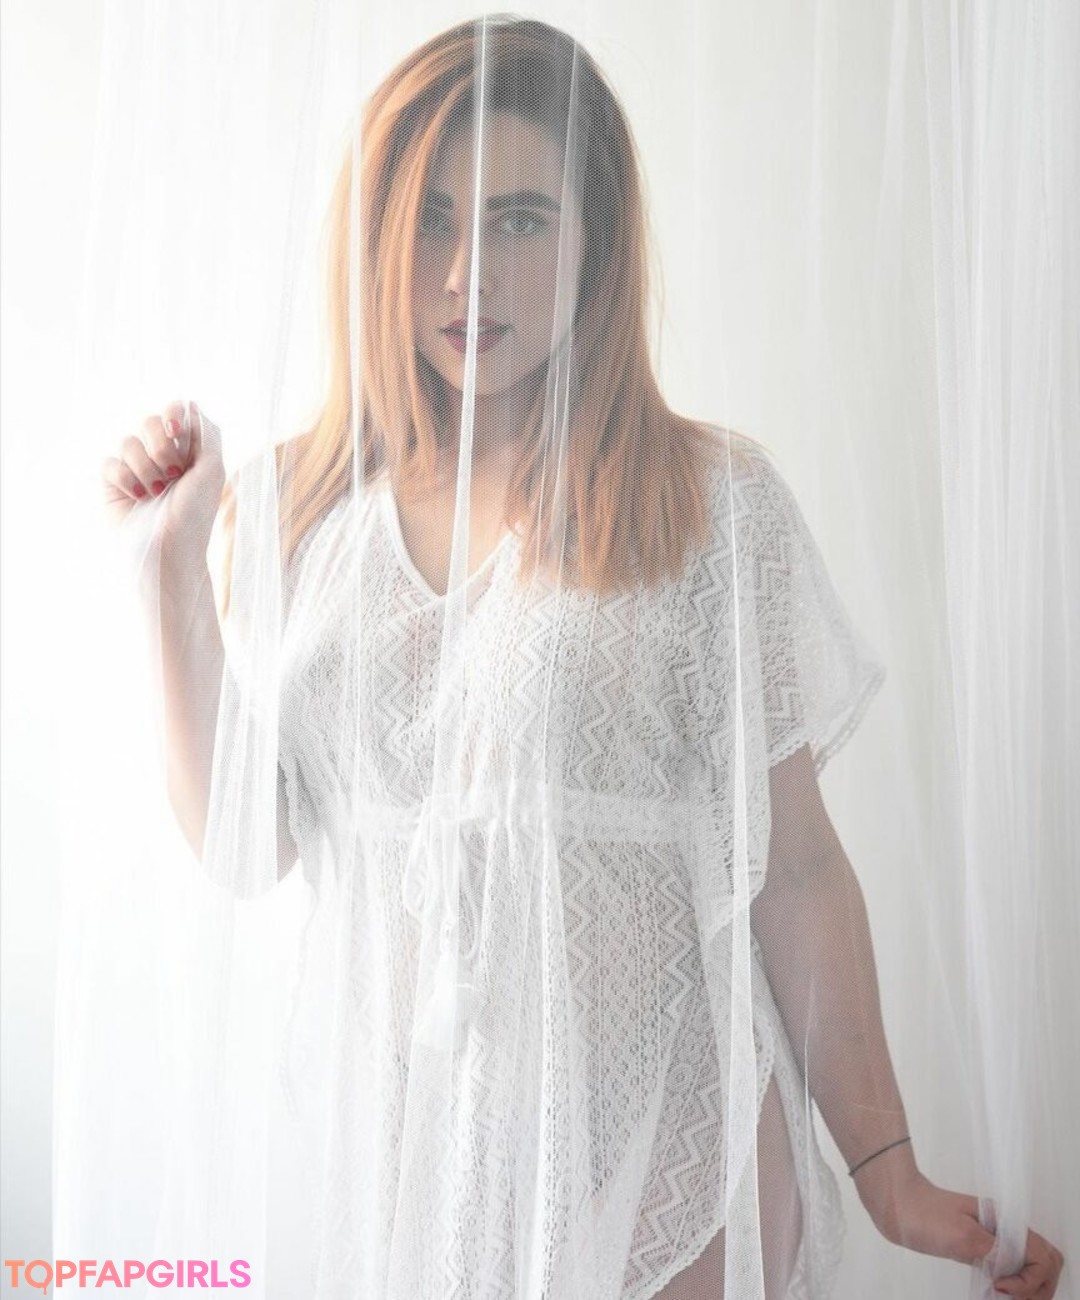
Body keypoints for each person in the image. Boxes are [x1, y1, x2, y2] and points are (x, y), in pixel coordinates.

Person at [99, 16, 1064, 1300]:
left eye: (521, 220)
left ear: (597, 239)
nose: (468, 276)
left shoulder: (708, 503)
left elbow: (795, 867)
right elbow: (250, 846)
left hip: (673, 1156)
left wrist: (888, 1172)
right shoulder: (299, 511)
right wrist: (167, 573)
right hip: (415, 1179)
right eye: (432, 219)